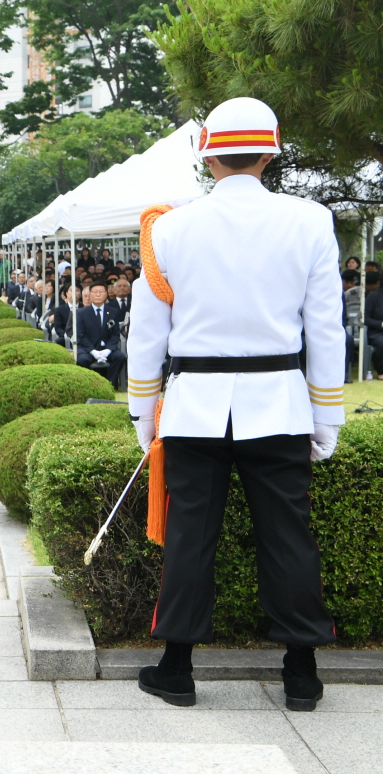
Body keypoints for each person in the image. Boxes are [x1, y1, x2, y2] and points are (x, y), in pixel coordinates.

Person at [126, 97, 344, 713]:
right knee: (288, 536)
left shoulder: (167, 228)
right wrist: (324, 417)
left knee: (191, 535)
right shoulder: (310, 222)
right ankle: (301, 671)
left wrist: (145, 417)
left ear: (207, 156)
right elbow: (326, 331)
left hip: (195, 408)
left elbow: (147, 336)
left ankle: (177, 669)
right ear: (271, 153)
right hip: (279, 404)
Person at [75, 283, 125, 386]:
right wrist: (93, 351)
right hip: (89, 349)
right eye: (95, 292)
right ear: (90, 295)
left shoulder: (113, 312)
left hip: (107, 348)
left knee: (120, 357)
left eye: (101, 292)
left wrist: (108, 350)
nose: (98, 295)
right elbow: (80, 335)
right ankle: (90, 385)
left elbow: (115, 334)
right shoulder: (81, 313)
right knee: (82, 360)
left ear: (106, 294)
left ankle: (110, 384)